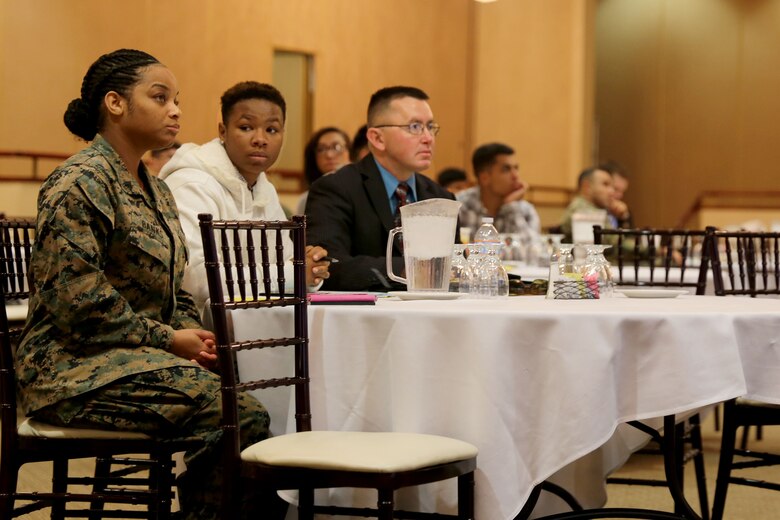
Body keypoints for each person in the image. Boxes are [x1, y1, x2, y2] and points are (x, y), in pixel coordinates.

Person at [16, 49, 280, 520]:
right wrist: (167, 338)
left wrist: (190, 335)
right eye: (160, 97)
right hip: (73, 370)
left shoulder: (154, 187)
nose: (176, 110)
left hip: (136, 358)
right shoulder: (80, 180)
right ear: (115, 104)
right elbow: (74, 299)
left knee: (257, 392)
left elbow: (174, 286)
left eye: (176, 99)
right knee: (237, 415)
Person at [160, 81, 330, 315]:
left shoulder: (264, 189)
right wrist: (293, 274)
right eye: (247, 127)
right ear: (223, 131)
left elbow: (288, 261)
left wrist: (310, 269)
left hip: (257, 321)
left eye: (272, 130)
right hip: (197, 329)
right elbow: (195, 278)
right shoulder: (192, 183)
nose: (260, 139)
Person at [305, 86, 457, 291]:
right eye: (414, 127)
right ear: (377, 138)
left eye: (430, 127)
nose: (428, 138)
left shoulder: (441, 197)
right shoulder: (335, 188)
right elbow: (327, 266)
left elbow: (452, 269)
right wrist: (410, 269)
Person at [456, 143, 540, 247]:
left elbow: (532, 256)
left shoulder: (525, 210)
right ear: (484, 178)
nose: (515, 176)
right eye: (506, 169)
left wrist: (510, 206)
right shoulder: (460, 207)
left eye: (516, 168)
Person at [295, 126, 351, 215]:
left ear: (349, 151)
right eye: (321, 149)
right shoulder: (306, 200)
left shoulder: (363, 191)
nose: (329, 155)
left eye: (336, 147)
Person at [559, 166, 615, 243]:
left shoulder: (595, 209)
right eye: (605, 184)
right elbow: (613, 244)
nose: (612, 191)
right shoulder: (582, 211)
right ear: (587, 187)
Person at [599, 159, 633, 227]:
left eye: (622, 191)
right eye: (616, 189)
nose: (620, 196)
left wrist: (624, 217)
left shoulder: (621, 211)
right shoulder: (590, 209)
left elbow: (630, 237)